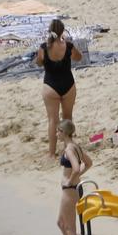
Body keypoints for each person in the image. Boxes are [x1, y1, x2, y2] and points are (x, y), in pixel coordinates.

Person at [36, 19, 84, 159]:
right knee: (67, 117)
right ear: (62, 31)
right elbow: (79, 58)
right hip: (68, 84)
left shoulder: (44, 47)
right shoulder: (68, 46)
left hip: (50, 85)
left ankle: (51, 153)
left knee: (52, 120)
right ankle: (68, 150)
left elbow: (38, 63)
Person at [54, 118, 90, 235]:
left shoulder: (69, 149)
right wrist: (77, 176)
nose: (56, 134)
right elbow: (88, 163)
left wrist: (70, 180)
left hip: (69, 190)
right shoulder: (76, 146)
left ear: (63, 132)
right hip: (72, 188)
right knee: (60, 223)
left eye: (58, 131)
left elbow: (75, 168)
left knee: (69, 227)